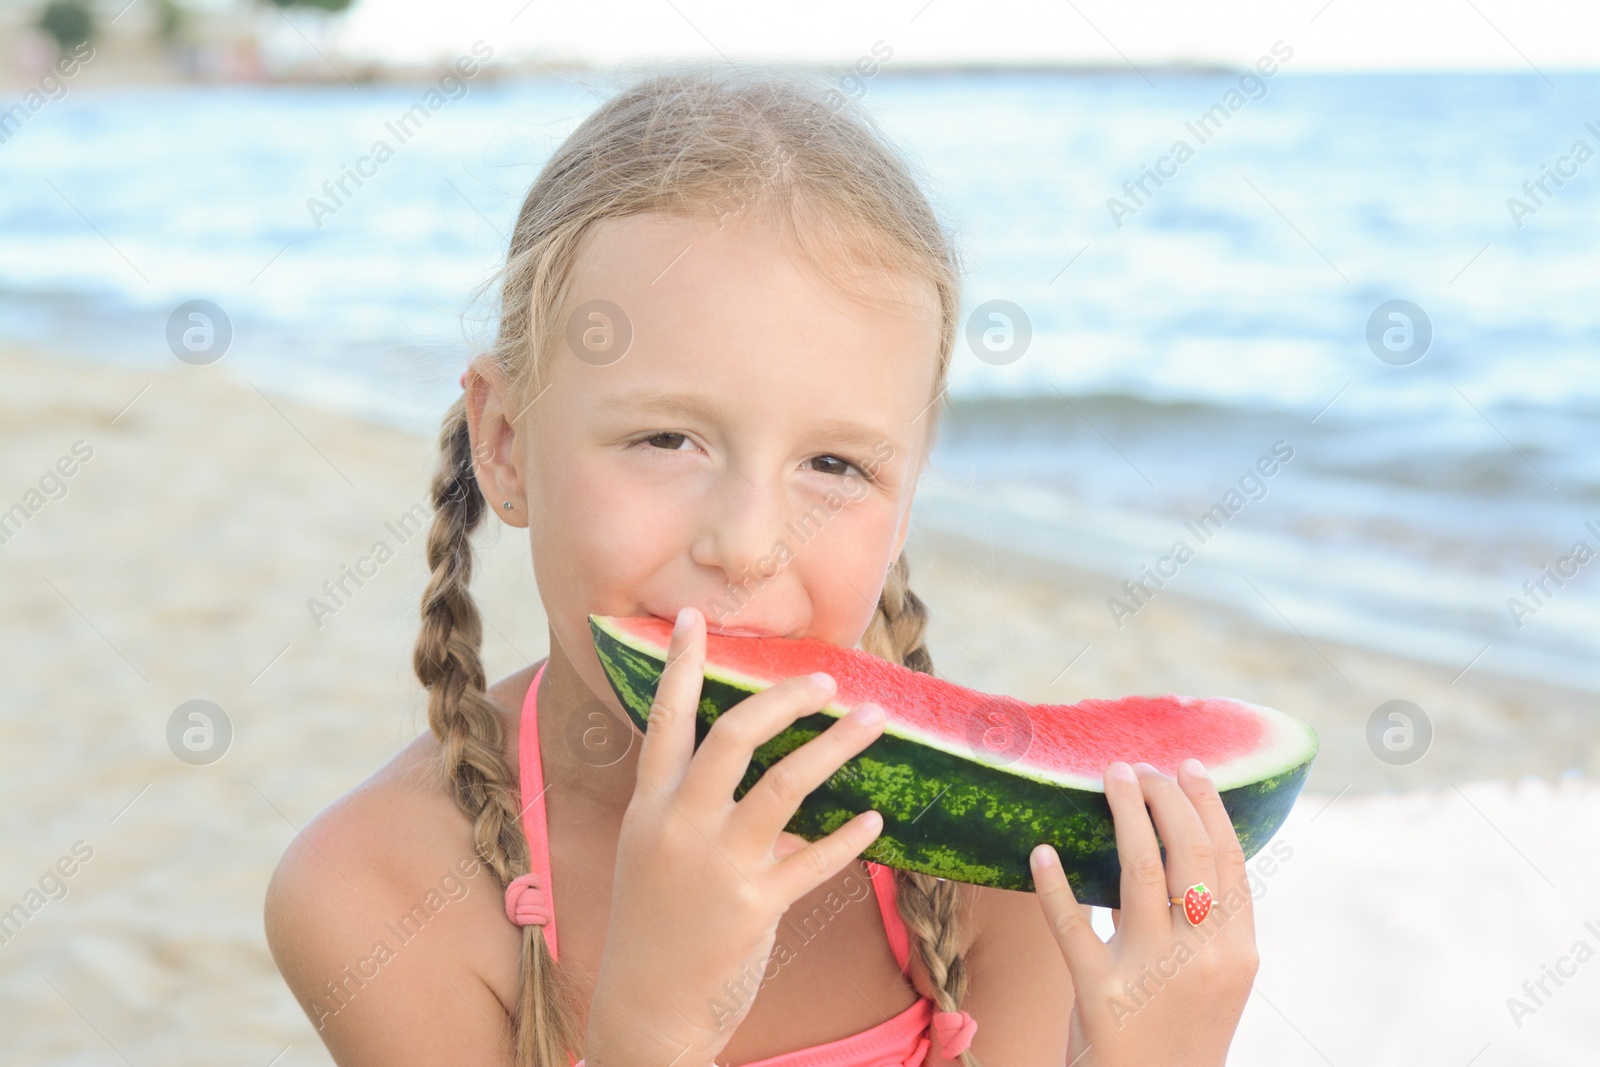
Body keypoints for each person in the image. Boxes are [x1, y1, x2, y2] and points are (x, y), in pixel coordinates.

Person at [264, 65, 1259, 1067]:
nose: (744, 544)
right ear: (507, 444)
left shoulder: (982, 848)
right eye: (665, 439)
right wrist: (652, 1023)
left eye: (833, 464)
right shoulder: (372, 890)